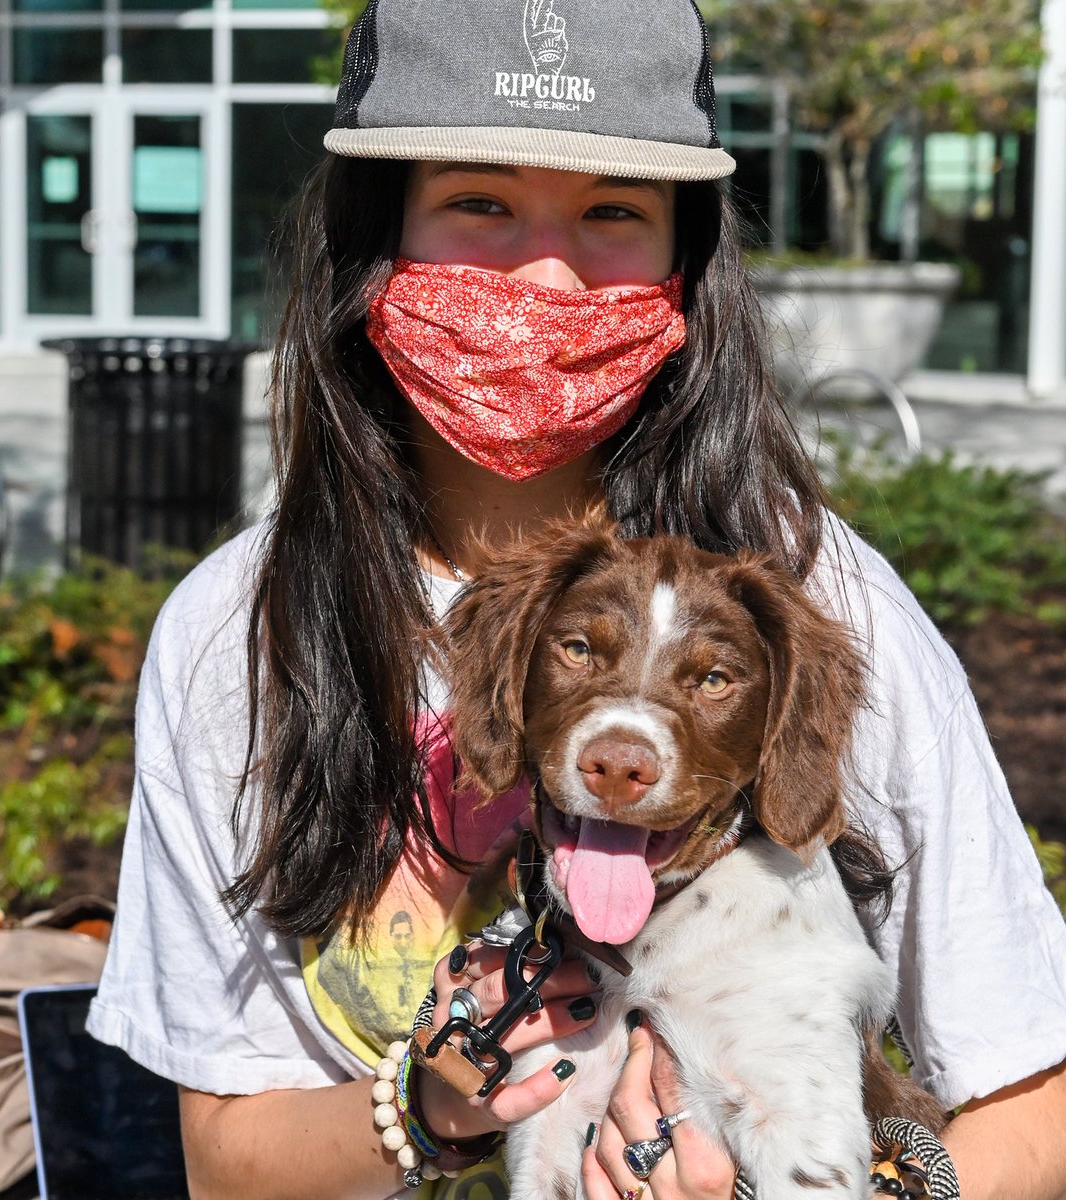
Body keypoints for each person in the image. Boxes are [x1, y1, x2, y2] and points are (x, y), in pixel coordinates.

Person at [86, 2, 1066, 1198]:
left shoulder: (813, 602)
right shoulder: (238, 634)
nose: (545, 271)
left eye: (613, 211)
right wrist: (426, 1104)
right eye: (479, 202)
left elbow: (1037, 1108)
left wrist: (883, 1181)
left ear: (684, 260)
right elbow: (229, 1164)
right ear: (375, 232)